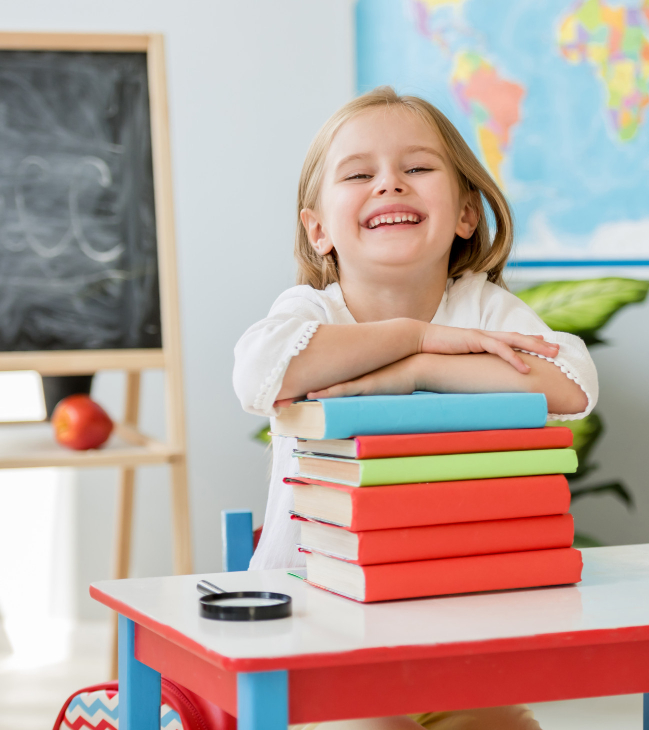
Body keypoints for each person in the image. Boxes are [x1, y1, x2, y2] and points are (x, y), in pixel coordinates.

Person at [233, 86, 598, 729]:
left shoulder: (481, 307)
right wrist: (415, 335)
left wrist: (421, 370)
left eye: (418, 168)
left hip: (451, 627)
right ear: (318, 230)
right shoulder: (311, 313)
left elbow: (572, 384)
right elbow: (260, 373)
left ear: (463, 213)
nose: (390, 185)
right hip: (314, 629)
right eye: (359, 173)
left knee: (510, 727)